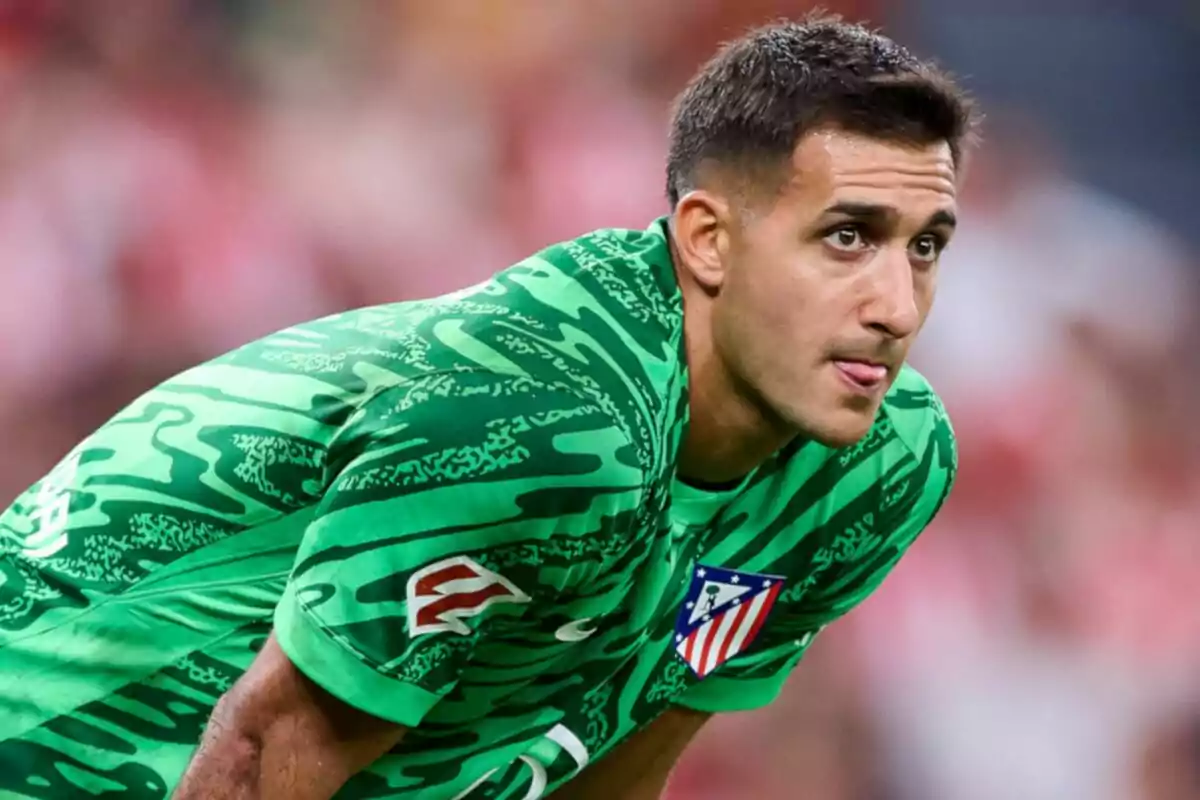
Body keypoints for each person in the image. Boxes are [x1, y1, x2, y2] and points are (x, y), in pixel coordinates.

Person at [0, 13, 977, 799]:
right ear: (709, 239)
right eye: (848, 237)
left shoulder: (879, 464)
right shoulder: (552, 427)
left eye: (925, 245)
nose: (896, 306)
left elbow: (624, 749)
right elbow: (266, 754)